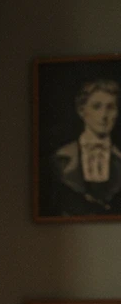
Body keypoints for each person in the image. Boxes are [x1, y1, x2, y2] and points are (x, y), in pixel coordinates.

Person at [45, 78, 121, 216]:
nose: (104, 115)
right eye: (96, 106)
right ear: (81, 110)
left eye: (110, 107)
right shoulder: (60, 159)